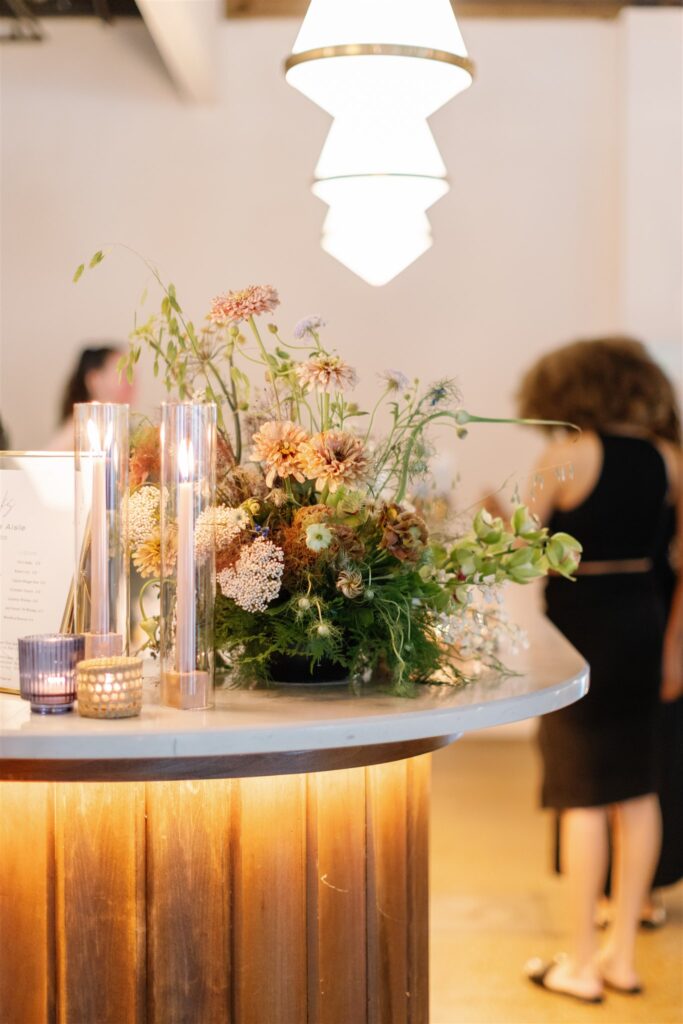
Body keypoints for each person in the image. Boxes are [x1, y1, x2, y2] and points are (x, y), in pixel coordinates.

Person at [503, 337, 681, 1004]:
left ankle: (577, 962)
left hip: (581, 632)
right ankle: (620, 958)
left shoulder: (561, 456)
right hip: (643, 621)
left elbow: (522, 553)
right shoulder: (668, 459)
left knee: (580, 794)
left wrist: (499, 522)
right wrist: (673, 648)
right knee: (638, 789)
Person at [47, 344, 136, 450]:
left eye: (134, 375)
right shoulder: (77, 432)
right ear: (94, 380)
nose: (132, 383)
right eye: (124, 374)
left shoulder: (122, 429)